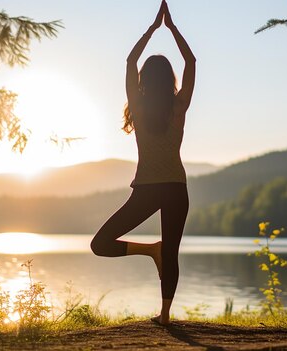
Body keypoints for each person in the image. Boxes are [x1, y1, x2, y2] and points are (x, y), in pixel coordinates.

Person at [90, 0, 196, 325]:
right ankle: (164, 312)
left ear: (144, 80)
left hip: (148, 190)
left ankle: (152, 256)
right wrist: (172, 28)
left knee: (100, 244)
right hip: (176, 188)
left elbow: (130, 59)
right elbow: (191, 60)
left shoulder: (137, 105)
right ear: (170, 79)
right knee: (171, 253)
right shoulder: (178, 106)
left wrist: (152, 29)